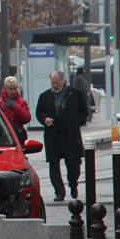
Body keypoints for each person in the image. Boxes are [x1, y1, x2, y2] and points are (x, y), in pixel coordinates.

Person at [35, 69, 90, 202]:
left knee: (74, 164)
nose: (54, 86)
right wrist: (45, 119)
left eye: (57, 83)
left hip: (71, 135)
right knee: (53, 164)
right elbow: (39, 112)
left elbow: (84, 112)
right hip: (53, 135)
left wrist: (76, 122)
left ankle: (73, 183)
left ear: (63, 80)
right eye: (52, 83)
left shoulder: (76, 93)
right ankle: (59, 192)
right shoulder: (45, 96)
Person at [0, 76, 31, 144]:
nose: (13, 92)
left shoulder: (22, 102)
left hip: (18, 137)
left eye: (15, 89)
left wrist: (15, 106)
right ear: (6, 89)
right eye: (10, 89)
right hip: (3, 138)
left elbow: (26, 119)